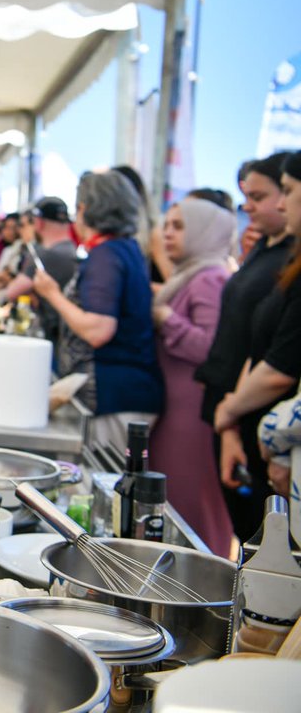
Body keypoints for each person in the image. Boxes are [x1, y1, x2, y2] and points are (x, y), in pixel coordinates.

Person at [196, 152, 295, 541]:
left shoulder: (288, 259)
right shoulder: (265, 251)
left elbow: (277, 360)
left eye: (262, 196)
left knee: (263, 537)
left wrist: (231, 412)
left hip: (256, 420)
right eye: (245, 198)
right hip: (236, 412)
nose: (249, 207)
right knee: (249, 534)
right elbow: (252, 341)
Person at [33, 170, 163, 452]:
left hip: (113, 393)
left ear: (84, 209)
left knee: (107, 480)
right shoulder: (125, 248)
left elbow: (98, 329)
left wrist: (51, 294)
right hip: (126, 391)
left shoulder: (106, 255)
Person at [148, 198, 237, 554]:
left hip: (193, 420)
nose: (168, 233)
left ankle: (203, 595)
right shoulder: (191, 274)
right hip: (177, 413)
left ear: (204, 232)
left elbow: (210, 347)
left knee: (192, 511)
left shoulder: (210, 278)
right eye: (167, 224)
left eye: (180, 226)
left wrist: (166, 318)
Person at [0, 197, 78, 351]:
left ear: (39, 223)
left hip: (48, 338)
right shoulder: (73, 251)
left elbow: (9, 294)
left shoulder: (43, 254)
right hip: (67, 337)